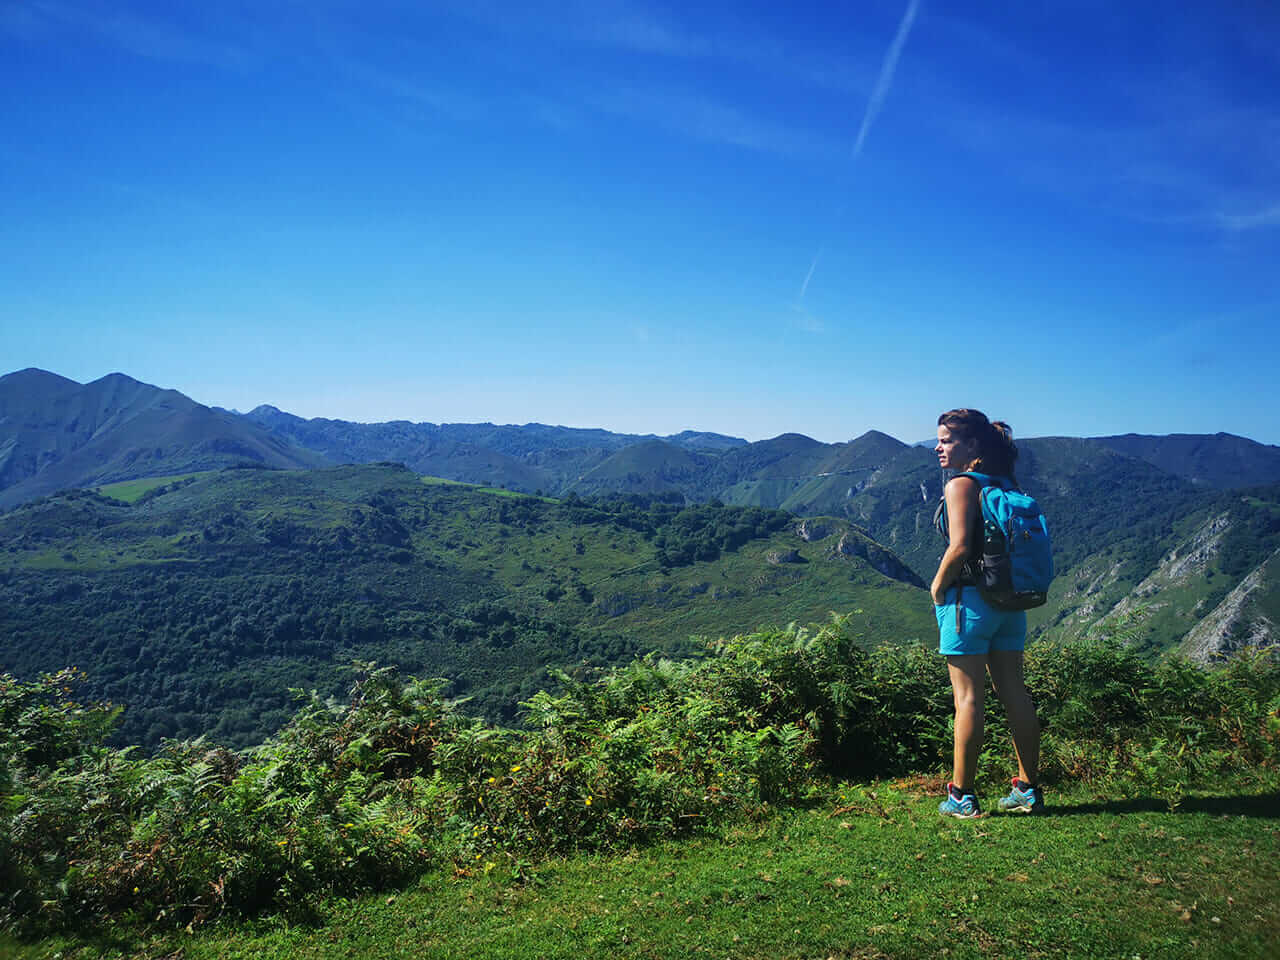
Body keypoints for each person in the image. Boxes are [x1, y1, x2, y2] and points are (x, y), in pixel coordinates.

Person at [931, 409, 1044, 817]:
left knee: (968, 699)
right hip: (1009, 603)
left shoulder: (961, 485)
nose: (938, 447)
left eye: (946, 440)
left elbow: (959, 546)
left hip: (970, 605)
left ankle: (961, 795)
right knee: (1014, 691)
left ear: (972, 446)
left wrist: (938, 586)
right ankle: (1027, 788)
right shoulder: (1004, 483)